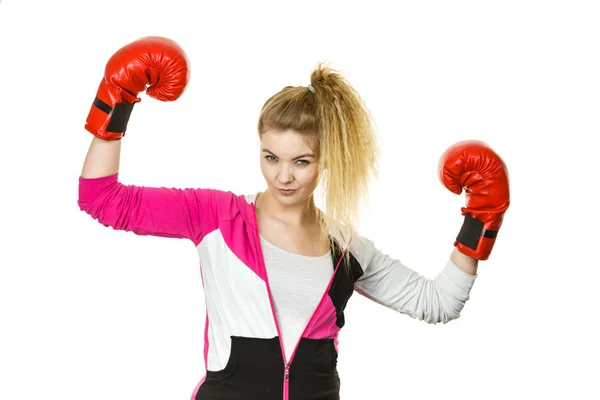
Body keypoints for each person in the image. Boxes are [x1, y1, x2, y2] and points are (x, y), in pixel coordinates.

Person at [77, 36, 510, 400]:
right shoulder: (216, 216)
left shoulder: (346, 249)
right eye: (271, 158)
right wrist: (118, 99)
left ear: (326, 161)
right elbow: (103, 200)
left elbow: (438, 303)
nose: (283, 176)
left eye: (301, 162)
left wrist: (481, 219)